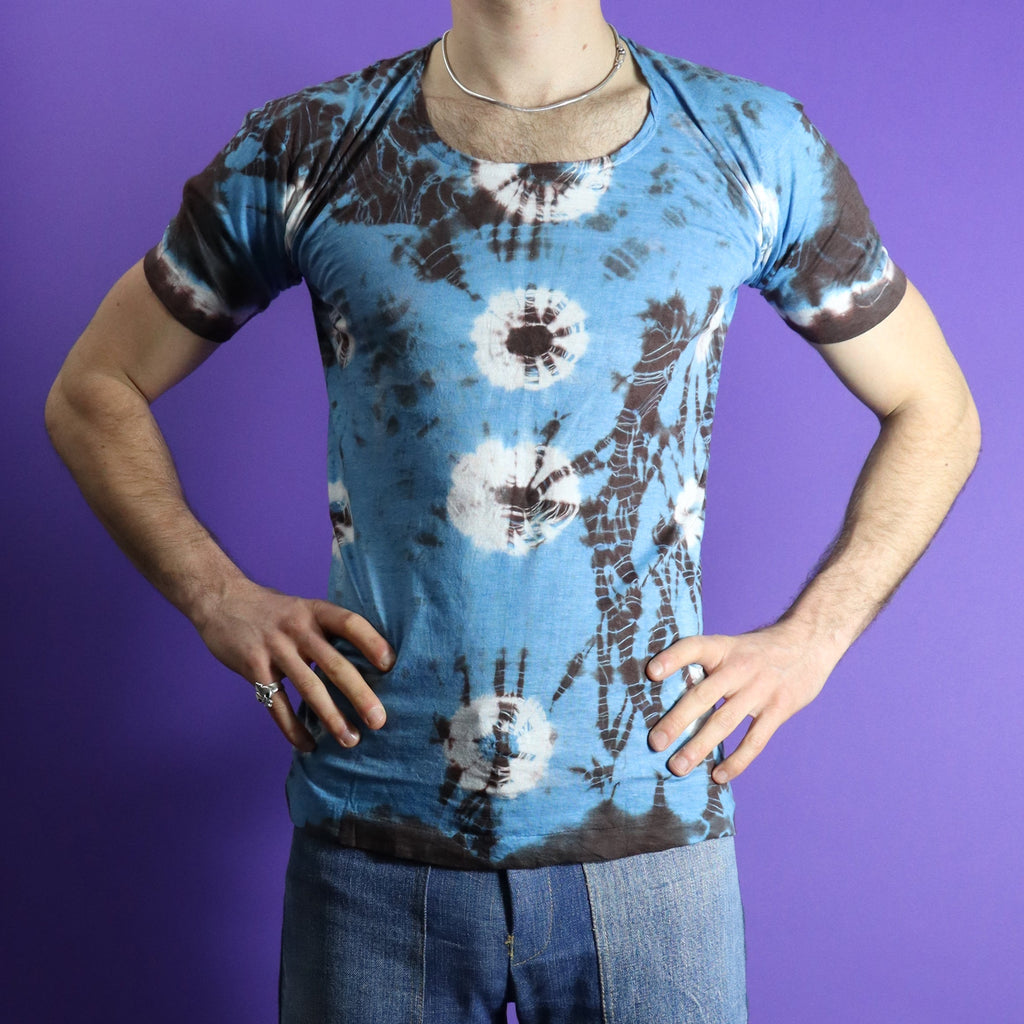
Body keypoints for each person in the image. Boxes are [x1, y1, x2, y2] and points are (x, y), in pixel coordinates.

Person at [45, 1, 980, 1021]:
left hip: (650, 844)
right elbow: (95, 389)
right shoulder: (310, 143)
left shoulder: (750, 142)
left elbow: (934, 409)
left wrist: (814, 638)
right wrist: (215, 596)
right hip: (373, 845)